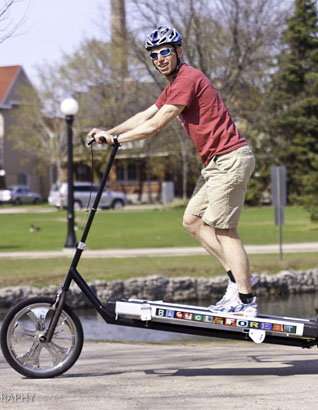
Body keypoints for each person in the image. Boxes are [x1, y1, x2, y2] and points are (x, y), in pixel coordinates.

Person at [87, 26, 258, 317]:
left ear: (178, 51)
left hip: (229, 159)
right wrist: (109, 132)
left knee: (225, 230)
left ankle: (245, 302)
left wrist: (116, 141)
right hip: (216, 164)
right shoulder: (174, 85)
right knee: (193, 221)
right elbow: (146, 115)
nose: (160, 58)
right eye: (154, 55)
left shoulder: (188, 78)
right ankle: (239, 281)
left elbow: (155, 125)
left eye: (165, 51)